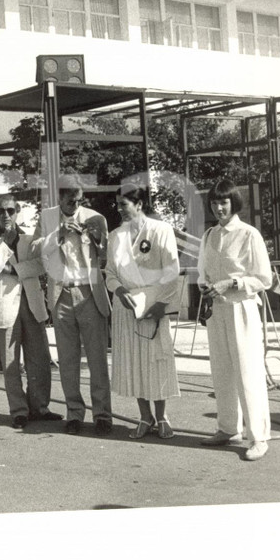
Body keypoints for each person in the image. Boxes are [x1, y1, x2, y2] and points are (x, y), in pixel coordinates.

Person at [198, 179, 274, 461]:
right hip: (216, 310)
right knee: (221, 371)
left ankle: (259, 437)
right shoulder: (209, 236)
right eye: (215, 203)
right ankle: (228, 429)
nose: (219, 208)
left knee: (247, 372)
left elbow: (264, 278)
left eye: (224, 203)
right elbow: (202, 272)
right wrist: (204, 285)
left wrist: (232, 283)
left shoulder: (248, 234)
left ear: (234, 203)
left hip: (241, 308)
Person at [0, 194, 60, 430]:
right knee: (11, 363)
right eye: (1, 211)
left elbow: (41, 265)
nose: (6, 215)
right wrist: (4, 242)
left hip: (32, 304)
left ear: (18, 210)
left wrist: (12, 270)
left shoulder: (32, 237)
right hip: (5, 308)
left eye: (11, 211)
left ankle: (40, 407)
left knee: (40, 360)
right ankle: (19, 410)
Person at [104, 183, 181, 440]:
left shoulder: (161, 230)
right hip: (126, 307)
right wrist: (118, 291)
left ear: (139, 204)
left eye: (124, 204)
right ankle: (144, 417)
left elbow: (171, 271)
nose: (120, 210)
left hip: (154, 304)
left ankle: (162, 417)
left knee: (156, 360)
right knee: (134, 361)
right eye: (117, 205)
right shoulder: (115, 236)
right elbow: (110, 273)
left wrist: (161, 305)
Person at [37, 175, 112, 436]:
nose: (75, 206)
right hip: (61, 294)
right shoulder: (47, 217)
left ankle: (102, 414)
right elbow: (38, 248)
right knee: (68, 360)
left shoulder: (95, 217)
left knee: (97, 359)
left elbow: (106, 257)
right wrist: (59, 234)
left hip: (89, 293)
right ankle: (74, 413)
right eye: (70, 202)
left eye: (80, 201)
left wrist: (97, 239)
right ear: (59, 197)